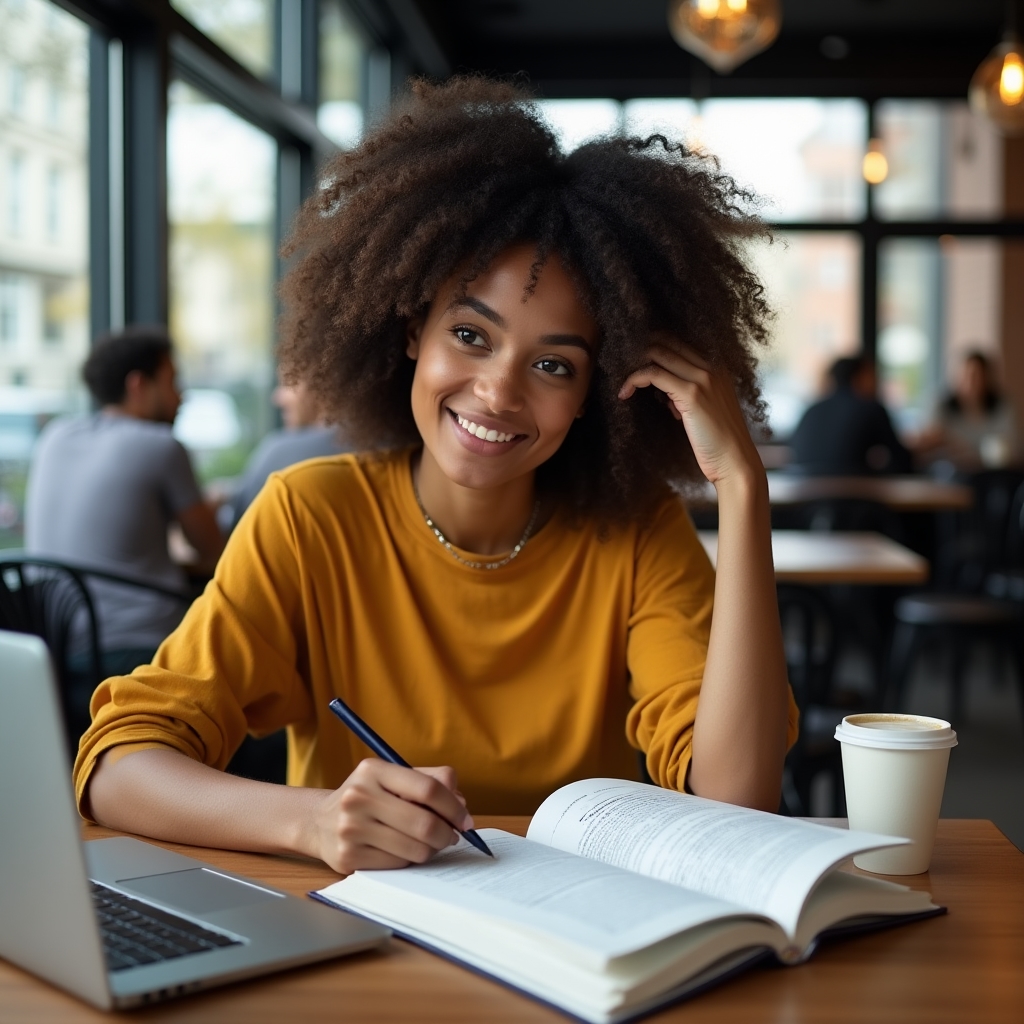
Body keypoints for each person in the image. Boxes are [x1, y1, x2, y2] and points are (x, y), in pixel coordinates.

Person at [74, 79, 798, 876]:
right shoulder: (312, 515)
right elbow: (117, 766)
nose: (498, 392)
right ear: (413, 327)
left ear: (596, 393)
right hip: (359, 957)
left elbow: (737, 803)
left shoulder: (636, 533)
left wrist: (741, 486)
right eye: (470, 334)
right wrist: (314, 822)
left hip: (574, 959)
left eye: (554, 364)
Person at [25, 326, 224, 675]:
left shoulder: (54, 437)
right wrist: (211, 506)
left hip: (54, 661)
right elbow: (212, 550)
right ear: (138, 386)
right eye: (172, 382)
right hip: (140, 656)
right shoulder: (160, 444)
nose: (182, 397)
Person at [222, 376, 349, 531]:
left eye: (288, 382)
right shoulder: (381, 448)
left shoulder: (279, 451)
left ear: (324, 382)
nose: (277, 398)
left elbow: (237, 527)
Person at [788, 356, 912, 476]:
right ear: (861, 377)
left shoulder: (811, 410)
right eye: (872, 376)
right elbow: (902, 461)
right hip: (851, 493)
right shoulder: (871, 408)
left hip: (805, 492)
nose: (876, 382)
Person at [915, 350, 1019, 471]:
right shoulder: (941, 405)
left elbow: (1012, 446)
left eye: (976, 376)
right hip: (951, 471)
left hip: (992, 471)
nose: (970, 382)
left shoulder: (1002, 406)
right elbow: (928, 445)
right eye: (966, 375)